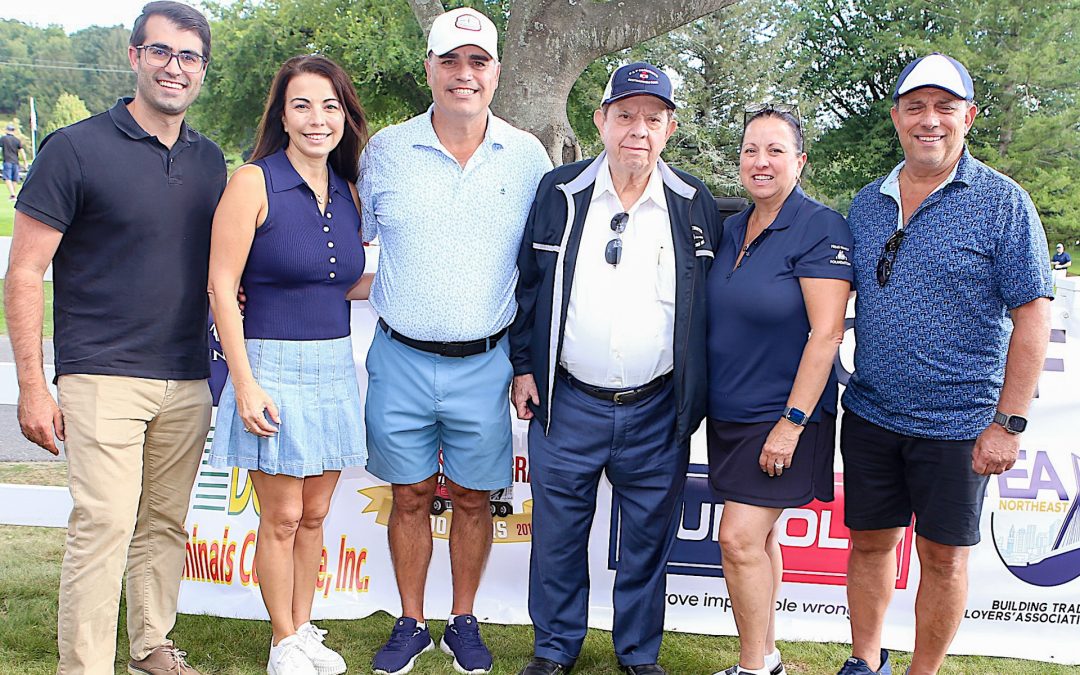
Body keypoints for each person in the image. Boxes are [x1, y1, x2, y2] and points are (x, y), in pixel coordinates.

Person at [4, 3, 225, 673]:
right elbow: (24, 270)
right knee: (103, 526)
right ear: (133, 57)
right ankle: (86, 664)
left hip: (188, 375)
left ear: (203, 71)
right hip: (101, 374)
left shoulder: (211, 161)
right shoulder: (73, 148)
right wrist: (33, 385)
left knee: (163, 523)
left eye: (189, 57)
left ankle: (151, 643)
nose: (174, 68)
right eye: (160, 52)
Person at [838, 53, 1052, 675]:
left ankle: (922, 672)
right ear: (897, 118)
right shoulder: (867, 203)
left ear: (968, 117)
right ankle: (863, 660)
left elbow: (1033, 317)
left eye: (945, 108)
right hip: (872, 413)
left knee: (943, 558)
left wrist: (1008, 423)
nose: (929, 121)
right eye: (915, 107)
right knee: (871, 545)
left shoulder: (1003, 202)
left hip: (961, 424)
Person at [356, 7, 552, 675]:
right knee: (408, 495)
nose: (463, 74)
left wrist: (527, 362)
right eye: (450, 60)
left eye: (477, 62)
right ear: (429, 69)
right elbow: (341, 249)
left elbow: (538, 268)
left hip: (486, 361)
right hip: (400, 354)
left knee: (473, 497)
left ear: (496, 73)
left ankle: (462, 619)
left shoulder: (528, 155)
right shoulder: (383, 149)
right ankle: (410, 622)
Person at [510, 62, 723, 675]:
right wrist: (524, 365)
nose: (638, 129)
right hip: (567, 400)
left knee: (647, 544)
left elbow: (711, 300)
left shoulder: (693, 203)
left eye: (653, 119)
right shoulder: (560, 191)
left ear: (670, 128)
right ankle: (554, 650)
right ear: (600, 120)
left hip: (657, 408)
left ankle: (637, 653)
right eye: (625, 115)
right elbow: (527, 287)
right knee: (556, 540)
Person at [206, 54, 370, 675]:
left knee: (317, 515)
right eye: (302, 104)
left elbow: (340, 279)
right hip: (269, 364)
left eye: (330, 105)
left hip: (333, 366)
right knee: (280, 517)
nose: (317, 118)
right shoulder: (252, 181)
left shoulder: (351, 188)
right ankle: (282, 643)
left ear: (345, 116)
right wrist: (244, 384)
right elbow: (222, 284)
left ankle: (303, 631)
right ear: (281, 113)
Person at [707, 104, 852, 675]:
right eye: (750, 151)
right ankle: (767, 657)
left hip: (784, 417)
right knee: (760, 541)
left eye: (774, 150)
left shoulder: (820, 226)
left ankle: (753, 667)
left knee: (738, 539)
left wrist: (791, 423)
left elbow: (827, 333)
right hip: (731, 414)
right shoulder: (732, 226)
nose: (760, 162)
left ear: (800, 160)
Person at [2, 123, 27, 199]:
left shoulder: (3, 139)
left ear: (7, 130)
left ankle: (12, 194)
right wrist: (25, 161)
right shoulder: (17, 140)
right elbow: (22, 151)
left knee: (7, 177)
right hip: (15, 161)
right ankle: (13, 194)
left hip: (7, 161)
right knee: (15, 178)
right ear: (13, 131)